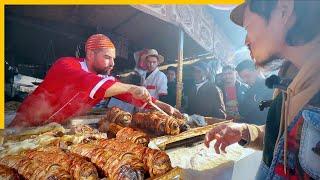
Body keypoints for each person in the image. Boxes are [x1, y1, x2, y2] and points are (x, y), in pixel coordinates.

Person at [205, 0, 320, 179]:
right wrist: (244, 131)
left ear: (283, 10)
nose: (245, 41)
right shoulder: (287, 81)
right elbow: (283, 138)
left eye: (248, 27)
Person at [9, 34, 181, 127]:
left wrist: (166, 107)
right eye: (107, 58)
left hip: (53, 127)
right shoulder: (66, 64)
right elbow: (87, 81)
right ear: (91, 55)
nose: (112, 64)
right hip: (25, 123)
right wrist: (130, 87)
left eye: (113, 59)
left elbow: (131, 97)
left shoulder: (104, 78)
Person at [236, 60, 273, 125]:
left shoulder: (270, 88)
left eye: (247, 76)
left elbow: (244, 111)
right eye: (242, 78)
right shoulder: (250, 90)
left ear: (257, 71)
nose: (245, 81)